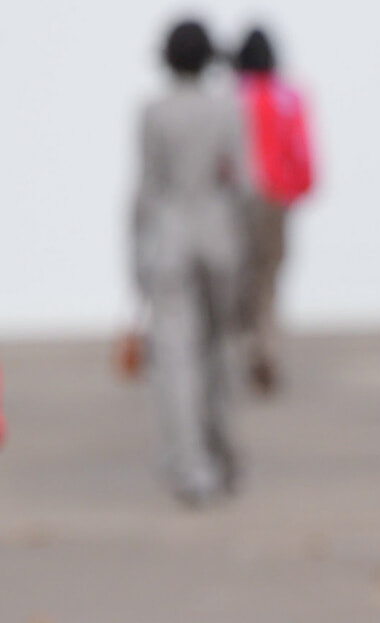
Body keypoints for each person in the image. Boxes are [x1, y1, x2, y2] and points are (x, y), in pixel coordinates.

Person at [132, 18, 248, 504]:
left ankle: (191, 466)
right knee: (217, 349)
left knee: (177, 357)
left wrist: (135, 257)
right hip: (219, 236)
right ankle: (219, 451)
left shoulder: (153, 112)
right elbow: (241, 183)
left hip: (172, 237)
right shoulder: (226, 108)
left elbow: (147, 189)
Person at [233, 26, 315, 392]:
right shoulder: (288, 97)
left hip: (239, 201)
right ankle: (265, 349)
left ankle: (245, 349)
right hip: (275, 200)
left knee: (241, 278)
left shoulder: (233, 96)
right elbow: (300, 149)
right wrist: (297, 187)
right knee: (268, 280)